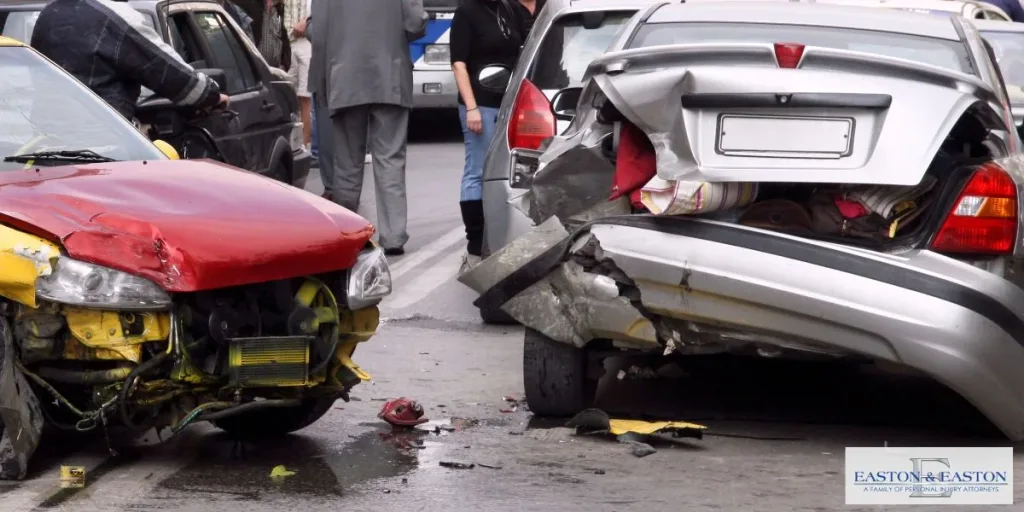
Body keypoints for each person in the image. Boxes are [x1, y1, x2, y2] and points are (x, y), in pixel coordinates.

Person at [308, 0, 427, 256]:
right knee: (390, 158)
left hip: (343, 78)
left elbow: (316, 33)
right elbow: (416, 22)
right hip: (390, 76)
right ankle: (393, 236)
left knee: (348, 162)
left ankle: (351, 233)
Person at [31, 0, 227, 121]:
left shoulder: (48, 14)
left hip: (47, 139)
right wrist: (212, 95)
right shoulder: (115, 16)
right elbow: (174, 78)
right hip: (104, 143)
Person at [450, 0, 525, 270]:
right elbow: (458, 64)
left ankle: (502, 230)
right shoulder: (466, 12)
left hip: (510, 102)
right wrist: (471, 108)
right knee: (478, 167)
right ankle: (476, 238)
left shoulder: (508, 9)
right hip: (479, 103)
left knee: (509, 168)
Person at [283, 0, 311, 147]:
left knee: (305, 96)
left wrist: (306, 21)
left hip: (308, 41)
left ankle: (306, 145)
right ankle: (295, 141)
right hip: (292, 42)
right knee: (287, 90)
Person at [235, 0, 291, 70]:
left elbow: (283, 36)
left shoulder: (279, 9)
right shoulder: (251, 5)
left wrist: (285, 64)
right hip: (255, 70)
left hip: (275, 70)